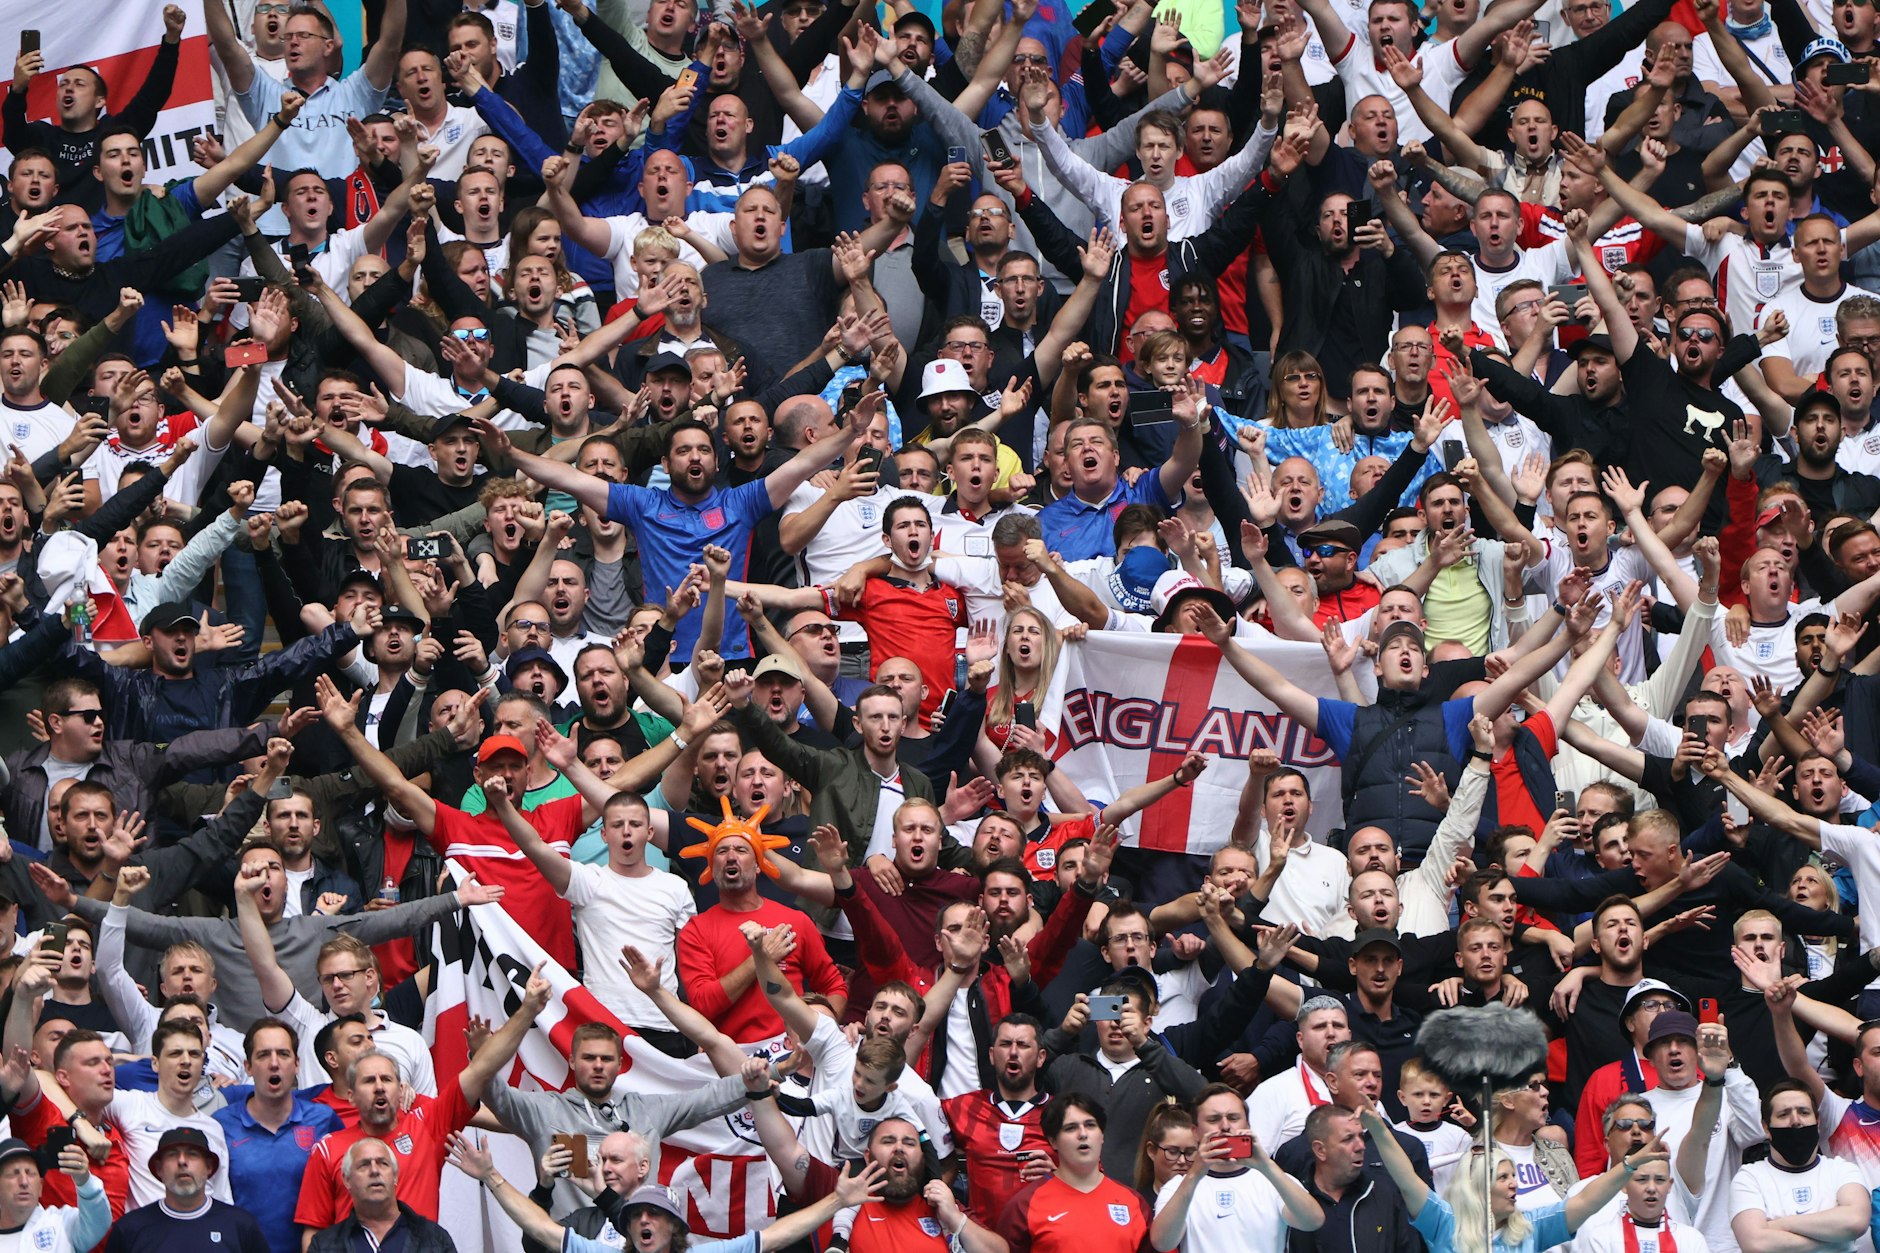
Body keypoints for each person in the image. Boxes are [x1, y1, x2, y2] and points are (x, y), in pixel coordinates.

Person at [1361, 1102, 1671, 1253]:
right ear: (1478, 1186)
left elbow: (1587, 1201)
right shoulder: (1445, 1223)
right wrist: (1378, 1129)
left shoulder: (1530, 1228)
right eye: (1503, 1177)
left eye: (1513, 1175)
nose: (1514, 1183)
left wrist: (1629, 1165)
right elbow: (1407, 1180)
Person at [102, 1128, 268, 1253]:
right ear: (159, 1168)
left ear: (209, 1167)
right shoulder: (130, 1229)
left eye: (192, 1154)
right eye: (172, 1155)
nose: (182, 1161)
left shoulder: (240, 1225)